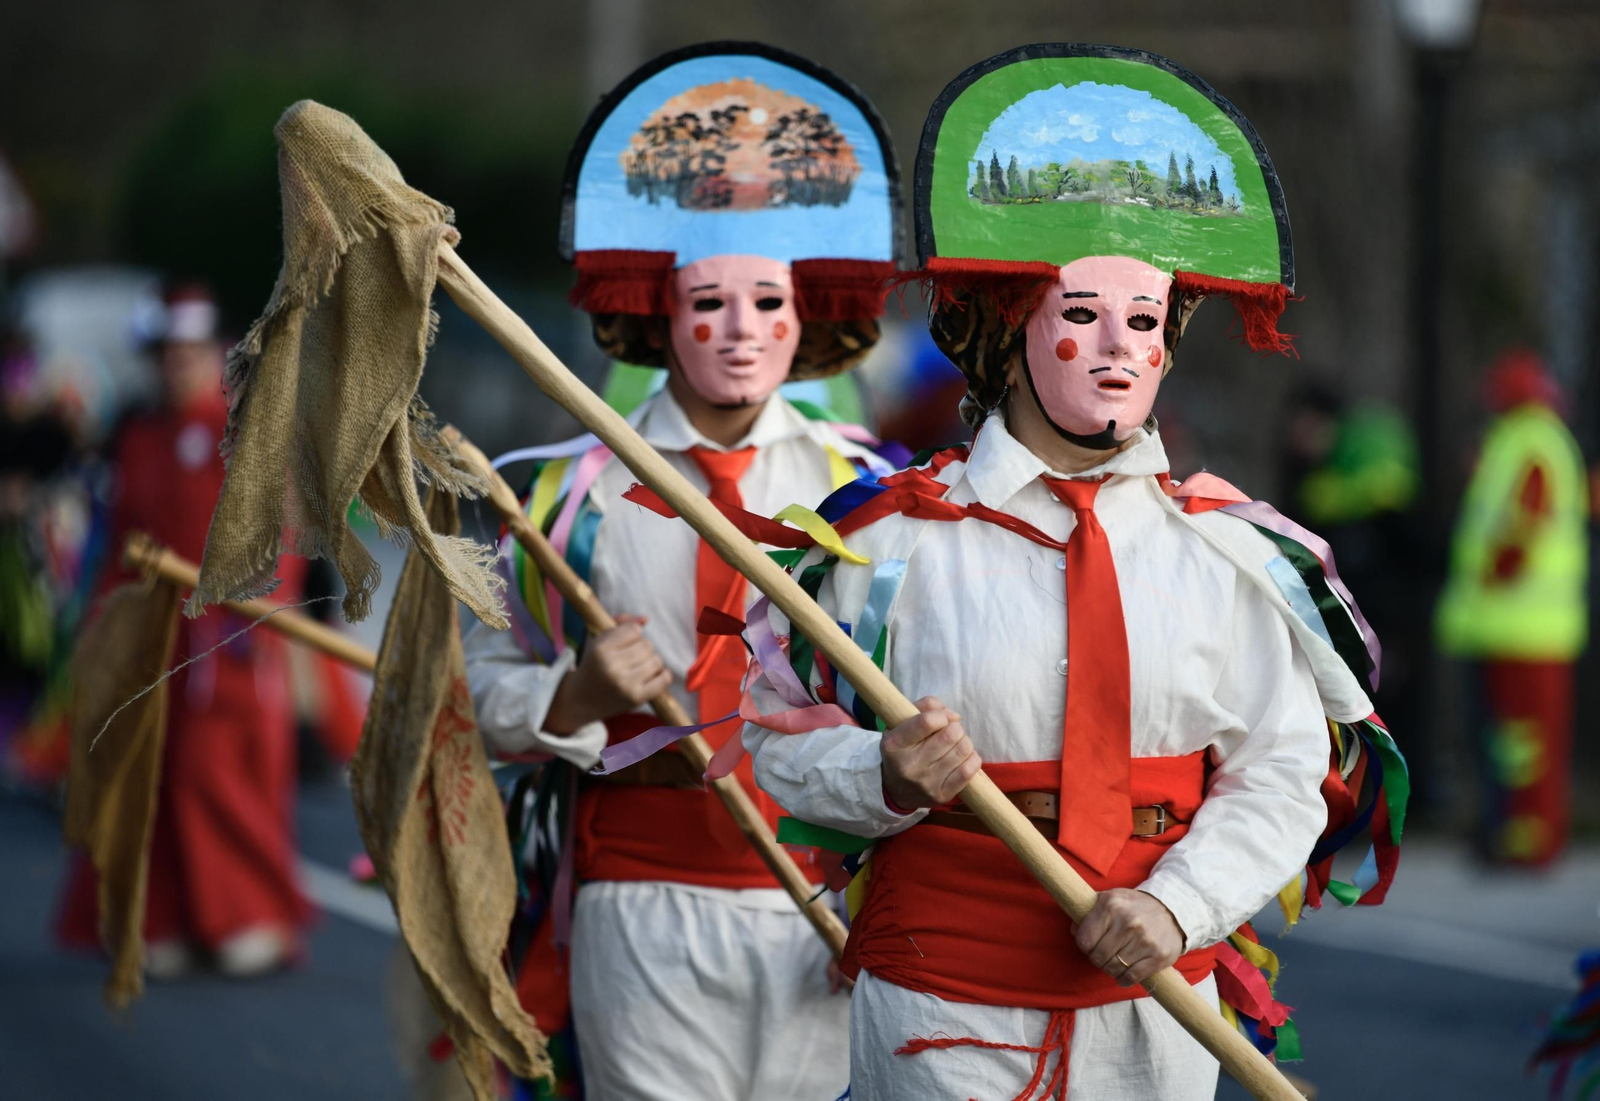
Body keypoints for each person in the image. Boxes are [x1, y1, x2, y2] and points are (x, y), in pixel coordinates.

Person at [731, 45, 1406, 1099]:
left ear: (1172, 347)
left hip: (1156, 1011)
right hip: (938, 1011)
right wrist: (882, 775)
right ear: (1009, 329)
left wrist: (1177, 907)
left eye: (1143, 322)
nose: (1115, 349)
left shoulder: (1226, 553)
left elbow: (1278, 771)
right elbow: (767, 735)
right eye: (1079, 316)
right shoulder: (882, 540)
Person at [462, 43, 903, 1100]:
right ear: (660, 315)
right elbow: (467, 694)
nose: (740, 332)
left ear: (807, 319)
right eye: (708, 304)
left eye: (767, 302)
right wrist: (577, 693)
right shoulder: (550, 498)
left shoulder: (882, 500)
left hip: (817, 902)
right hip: (633, 901)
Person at [56, 284, 310, 977]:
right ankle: (156, 917)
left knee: (216, 774)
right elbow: (118, 546)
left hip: (223, 640)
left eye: (191, 352)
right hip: (147, 636)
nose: (179, 366)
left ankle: (247, 912)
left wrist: (257, 610)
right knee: (143, 772)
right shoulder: (139, 437)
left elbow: (278, 538)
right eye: (168, 353)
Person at [1436, 348, 1588, 865]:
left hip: (1522, 625)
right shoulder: (1530, 440)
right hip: (1518, 626)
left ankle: (1529, 840)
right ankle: (1517, 834)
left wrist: (1497, 570)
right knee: (1518, 743)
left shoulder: (1528, 443)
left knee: (1525, 744)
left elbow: (1524, 521)